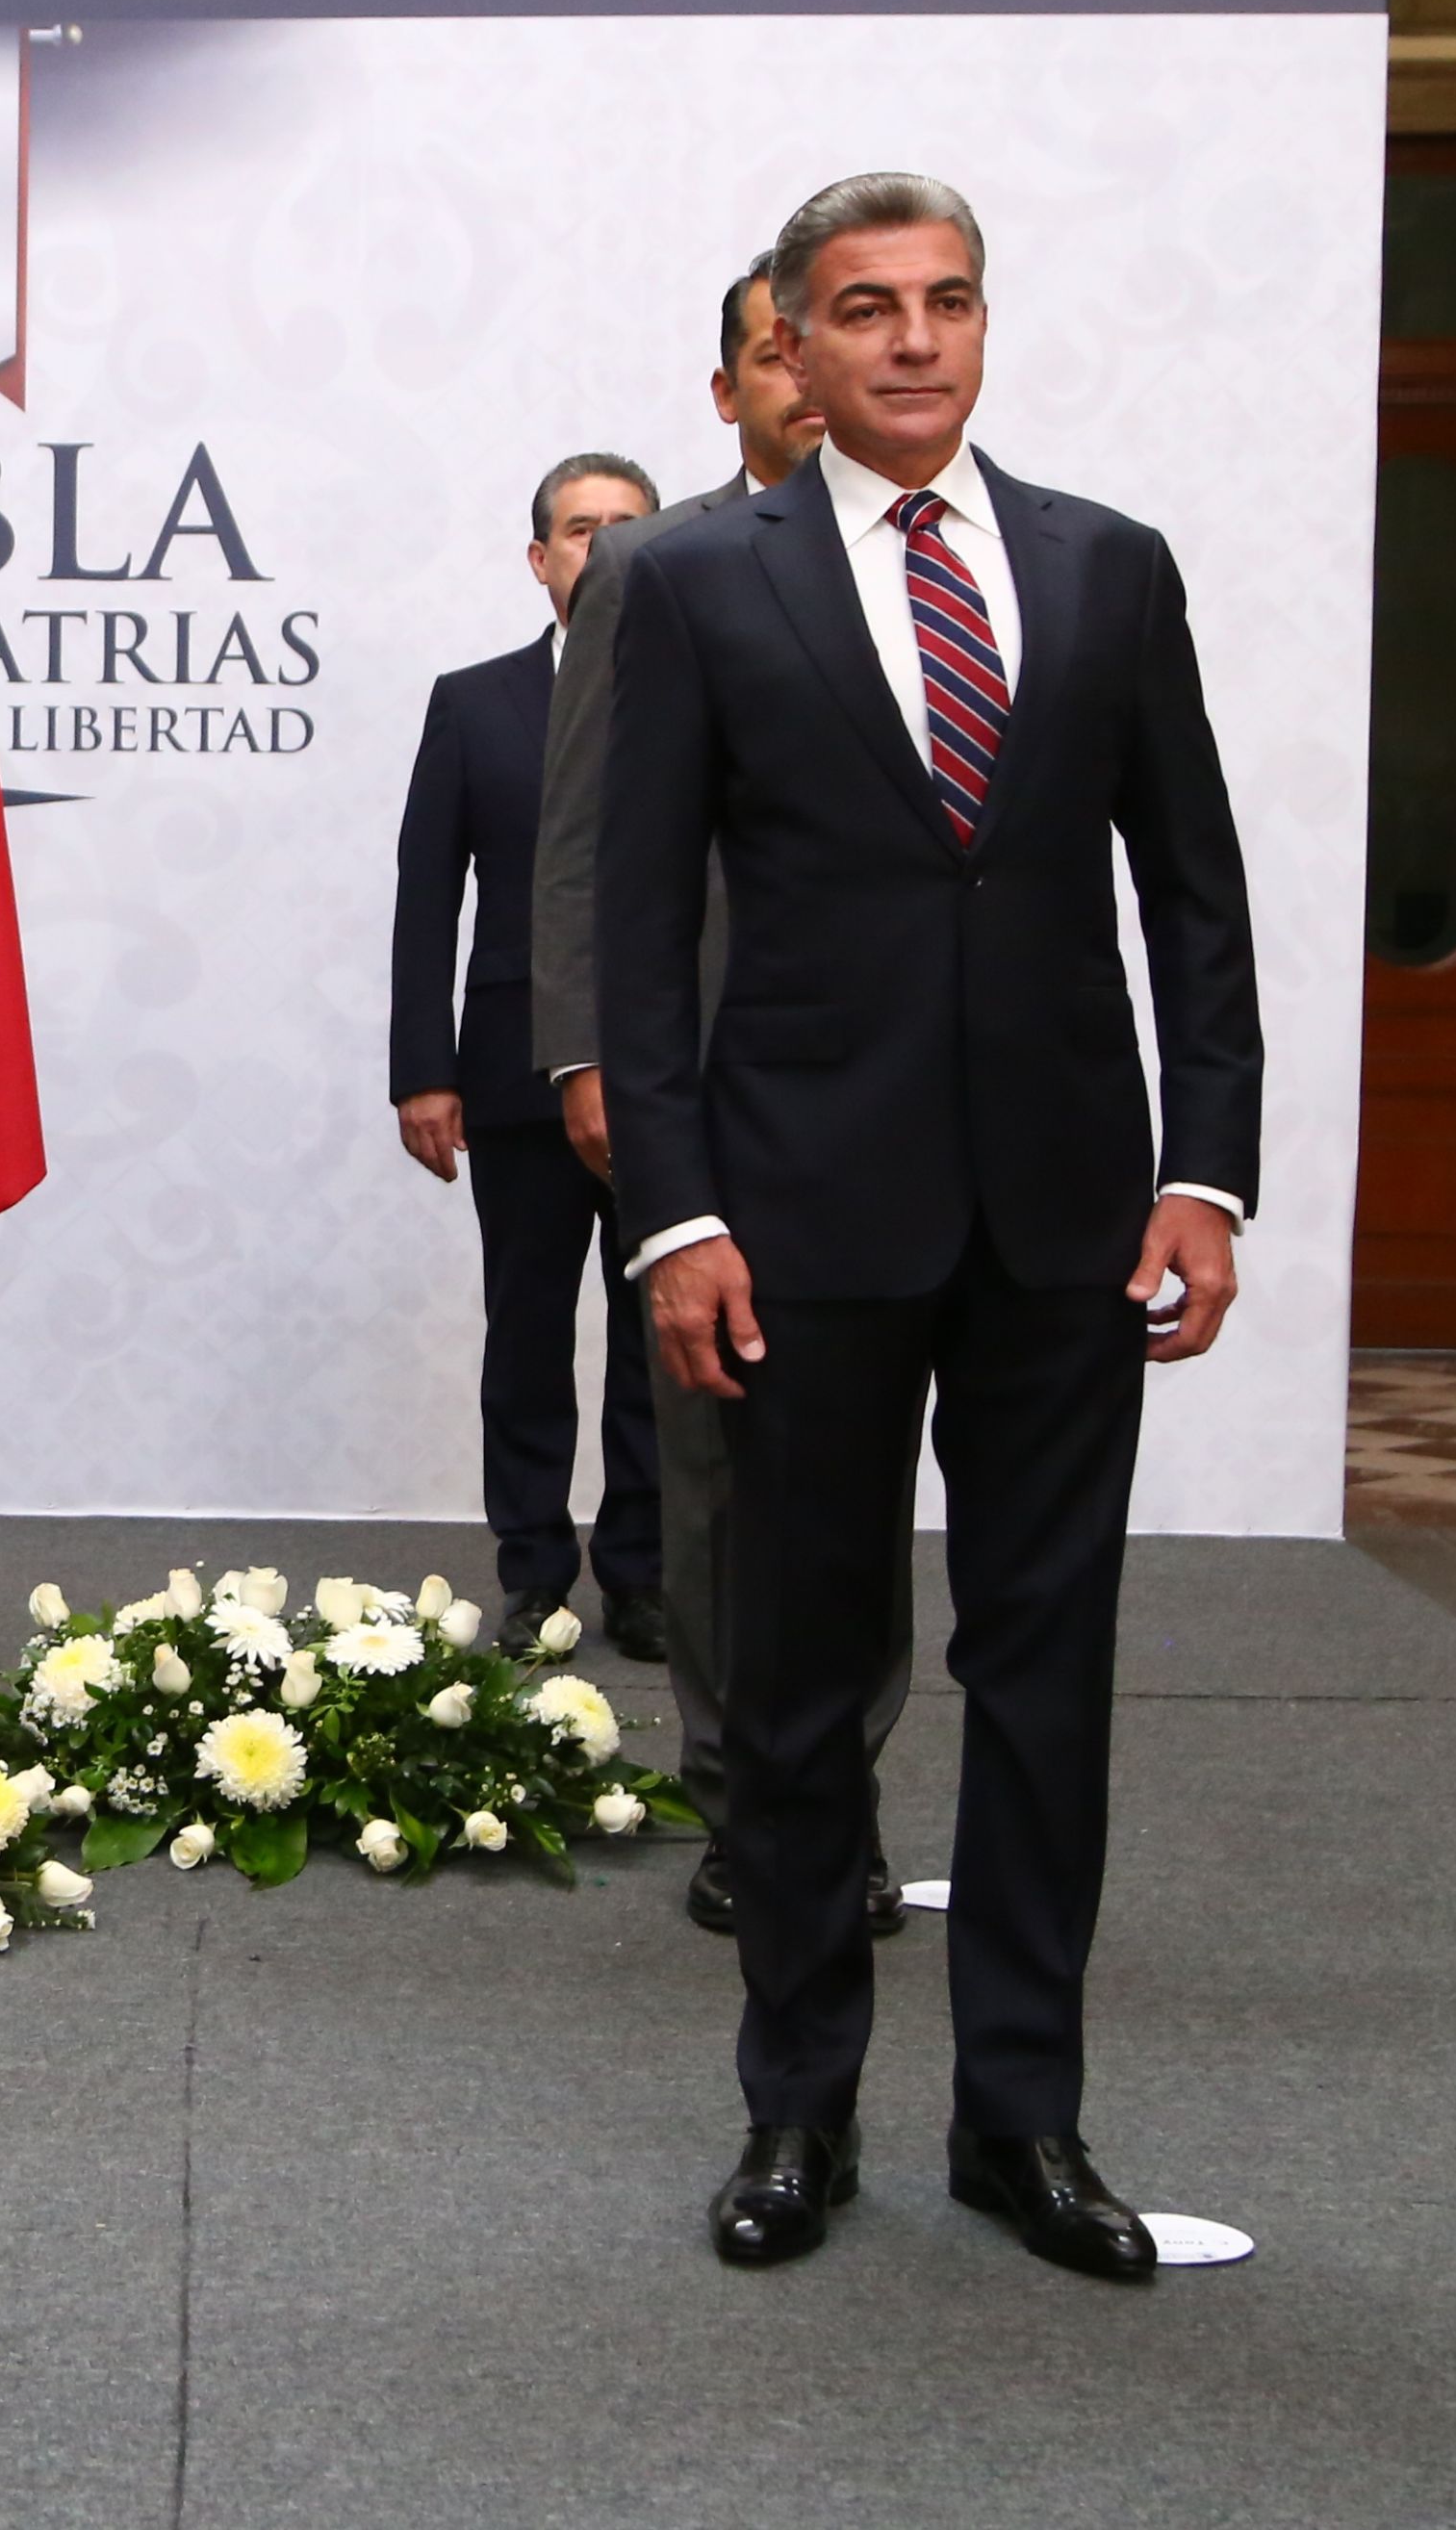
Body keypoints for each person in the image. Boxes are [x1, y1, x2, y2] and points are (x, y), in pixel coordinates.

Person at [596, 174, 1261, 2280]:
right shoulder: (694, 583)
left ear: (983, 329)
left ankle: (1021, 2127)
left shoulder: (1104, 568)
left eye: (944, 304)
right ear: (785, 346)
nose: (910, 342)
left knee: (1045, 1679)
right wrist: (673, 1214)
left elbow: (1192, 895)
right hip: (794, 1222)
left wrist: (1203, 1168)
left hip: (1064, 1218)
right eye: (862, 309)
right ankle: (794, 2118)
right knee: (792, 1702)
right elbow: (626, 934)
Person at [529, 253, 912, 1943]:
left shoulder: (935, 562)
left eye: (816, 344)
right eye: (773, 351)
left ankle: (844, 1797)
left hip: (888, 1090)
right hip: (698, 1086)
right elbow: (586, 839)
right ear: (737, 385)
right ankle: (739, 1800)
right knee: (712, 1459)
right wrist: (589, 1053)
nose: (806, 376)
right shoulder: (660, 570)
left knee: (860, 1466)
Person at [391, 451, 665, 1668]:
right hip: (508, 1072)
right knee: (527, 1331)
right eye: (577, 529)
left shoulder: (714, 690)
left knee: (661, 1335)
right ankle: (532, 1573)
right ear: (539, 557)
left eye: (625, 529)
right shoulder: (474, 700)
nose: (599, 549)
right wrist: (421, 1068)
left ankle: (647, 1575)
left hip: (671, 1068)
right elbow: (423, 898)